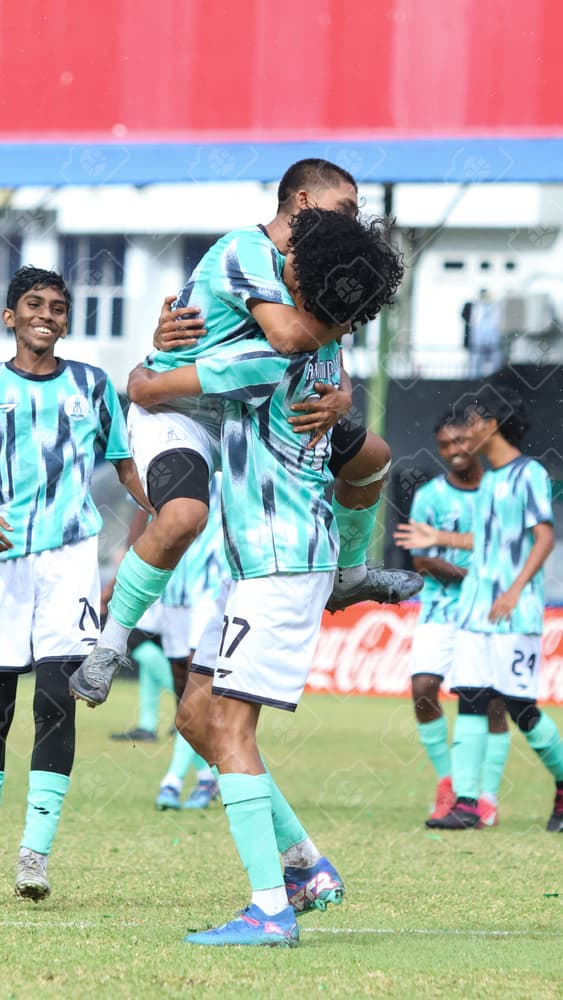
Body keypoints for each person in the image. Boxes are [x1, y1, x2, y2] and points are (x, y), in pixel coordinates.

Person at [126, 207, 407, 946]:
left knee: (229, 725)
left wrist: (146, 363)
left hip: (280, 563)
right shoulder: (321, 360)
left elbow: (148, 393)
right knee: (195, 716)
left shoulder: (263, 357)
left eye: (288, 256)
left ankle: (269, 910)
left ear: (300, 275)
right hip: (268, 562)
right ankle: (305, 866)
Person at [68, 158, 422, 710]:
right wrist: (357, 302)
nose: (353, 222)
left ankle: (349, 574)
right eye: (345, 209)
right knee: (186, 515)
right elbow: (285, 337)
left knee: (372, 457)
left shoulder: (313, 272)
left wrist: (344, 392)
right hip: (175, 402)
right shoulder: (247, 250)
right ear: (303, 202)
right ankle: (110, 643)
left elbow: (322, 347)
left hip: (246, 406)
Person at [0, 266, 149, 900]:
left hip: (69, 561)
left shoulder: (93, 385)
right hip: (5, 561)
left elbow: (127, 466)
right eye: (34, 304)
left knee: (58, 703)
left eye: (58, 307)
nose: (47, 315)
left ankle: (34, 855)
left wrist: (170, 520)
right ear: (10, 316)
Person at [395, 385, 563, 832]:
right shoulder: (490, 480)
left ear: (491, 425)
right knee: (470, 698)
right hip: (472, 612)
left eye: (472, 421)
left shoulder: (529, 475)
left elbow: (543, 536)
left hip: (513, 613)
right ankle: (467, 803)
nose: (466, 430)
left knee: (520, 708)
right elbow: (487, 542)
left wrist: (514, 590)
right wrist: (441, 539)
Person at [407, 409, 510, 827]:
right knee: (423, 689)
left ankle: (485, 796)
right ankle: (449, 782)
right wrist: (471, 575)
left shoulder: (503, 491)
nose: (455, 450)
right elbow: (420, 558)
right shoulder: (430, 496)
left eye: (463, 442)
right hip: (440, 609)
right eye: (446, 444)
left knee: (492, 702)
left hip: (492, 613)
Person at [466, 289, 504, 378]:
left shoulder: (495, 307)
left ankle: (496, 377)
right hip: (479, 338)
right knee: (477, 358)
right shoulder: (477, 307)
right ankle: (475, 378)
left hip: (492, 336)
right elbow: (474, 323)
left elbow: (497, 323)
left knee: (495, 358)